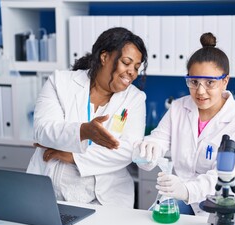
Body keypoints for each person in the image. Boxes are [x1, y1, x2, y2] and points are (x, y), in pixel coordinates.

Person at [27, 27, 148, 208]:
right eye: (126, 62)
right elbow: (42, 130)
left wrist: (72, 156)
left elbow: (127, 150)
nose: (132, 72)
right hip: (50, 193)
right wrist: (83, 131)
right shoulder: (60, 82)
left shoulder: (135, 99)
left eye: (136, 67)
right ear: (104, 56)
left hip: (104, 200)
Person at [135, 32, 235, 215]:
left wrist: (187, 190)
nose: (200, 91)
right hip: (182, 198)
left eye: (209, 83)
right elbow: (159, 140)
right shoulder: (178, 108)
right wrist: (150, 149)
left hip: (222, 202)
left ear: (225, 81)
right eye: (194, 81)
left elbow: (222, 175)